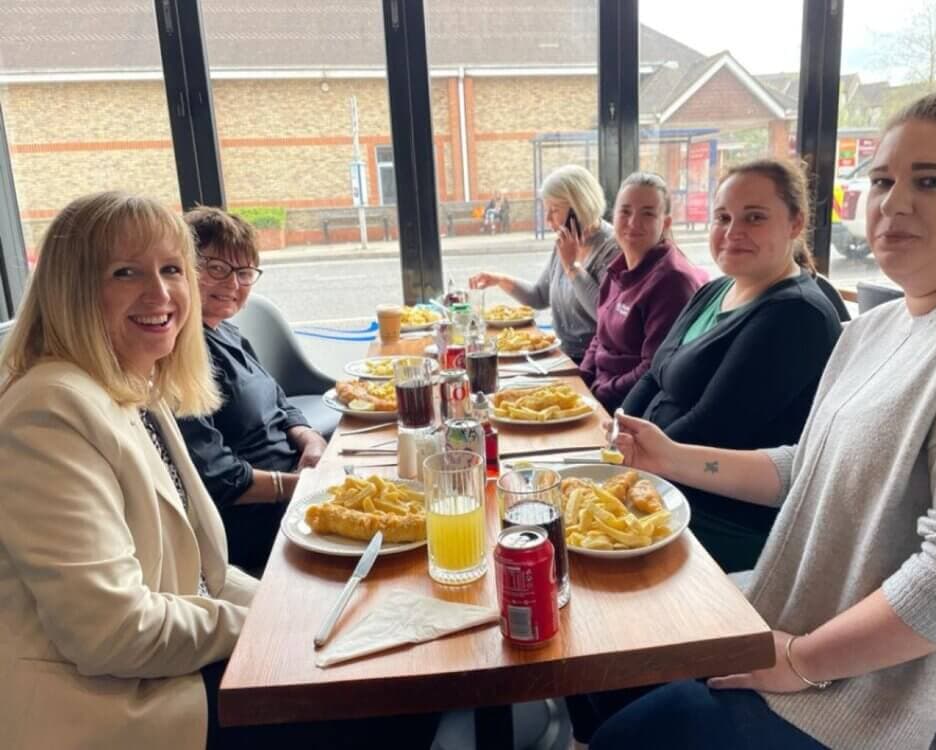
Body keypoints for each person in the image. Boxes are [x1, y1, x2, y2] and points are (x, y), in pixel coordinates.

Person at [589, 91, 936, 749]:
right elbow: (805, 467)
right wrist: (669, 458)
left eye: (929, 181)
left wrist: (801, 661)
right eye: (882, 181)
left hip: (877, 699)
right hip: (790, 621)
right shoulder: (873, 329)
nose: (893, 203)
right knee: (607, 682)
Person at [0, 192, 439, 750]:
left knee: (396, 654)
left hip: (166, 665)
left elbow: (206, 574)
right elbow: (111, 632)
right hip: (117, 707)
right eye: (125, 272)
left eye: (171, 269)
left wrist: (305, 610)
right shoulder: (49, 412)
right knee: (398, 697)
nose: (160, 293)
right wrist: (275, 625)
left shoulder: (136, 385)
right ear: (72, 289)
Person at [621, 158, 843, 572]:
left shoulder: (796, 314)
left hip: (721, 514)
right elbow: (655, 372)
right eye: (723, 217)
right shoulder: (715, 290)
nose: (732, 231)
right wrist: (618, 430)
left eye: (754, 217)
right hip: (663, 481)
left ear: (795, 223)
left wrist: (627, 466)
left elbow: (712, 427)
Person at [177, 206, 329, 572]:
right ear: (183, 268)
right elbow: (220, 479)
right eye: (217, 268)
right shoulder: (182, 356)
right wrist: (303, 486)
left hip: (295, 489)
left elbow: (279, 400)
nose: (233, 284)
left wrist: (310, 439)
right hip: (259, 523)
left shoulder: (228, 331)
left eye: (244, 272)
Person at [579, 172, 708, 412]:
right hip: (599, 395)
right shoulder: (616, 268)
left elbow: (652, 369)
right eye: (625, 212)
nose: (633, 223)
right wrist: (581, 379)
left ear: (665, 223)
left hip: (630, 409)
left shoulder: (673, 282)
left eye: (647, 213)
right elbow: (600, 337)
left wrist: (598, 393)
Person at [469, 164, 619, 362]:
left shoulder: (612, 248)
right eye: (546, 210)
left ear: (580, 207)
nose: (548, 219)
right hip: (562, 354)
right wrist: (500, 280)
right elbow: (539, 296)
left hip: (593, 362)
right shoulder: (566, 241)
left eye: (554, 210)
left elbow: (605, 315)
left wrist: (572, 267)